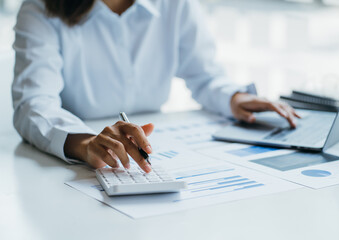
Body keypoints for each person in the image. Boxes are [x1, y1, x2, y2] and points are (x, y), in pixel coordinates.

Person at [12, 0, 299, 173]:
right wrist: (87, 143)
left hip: (154, 154)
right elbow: (34, 103)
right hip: (81, 165)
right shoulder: (40, 8)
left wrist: (235, 98)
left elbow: (205, 75)